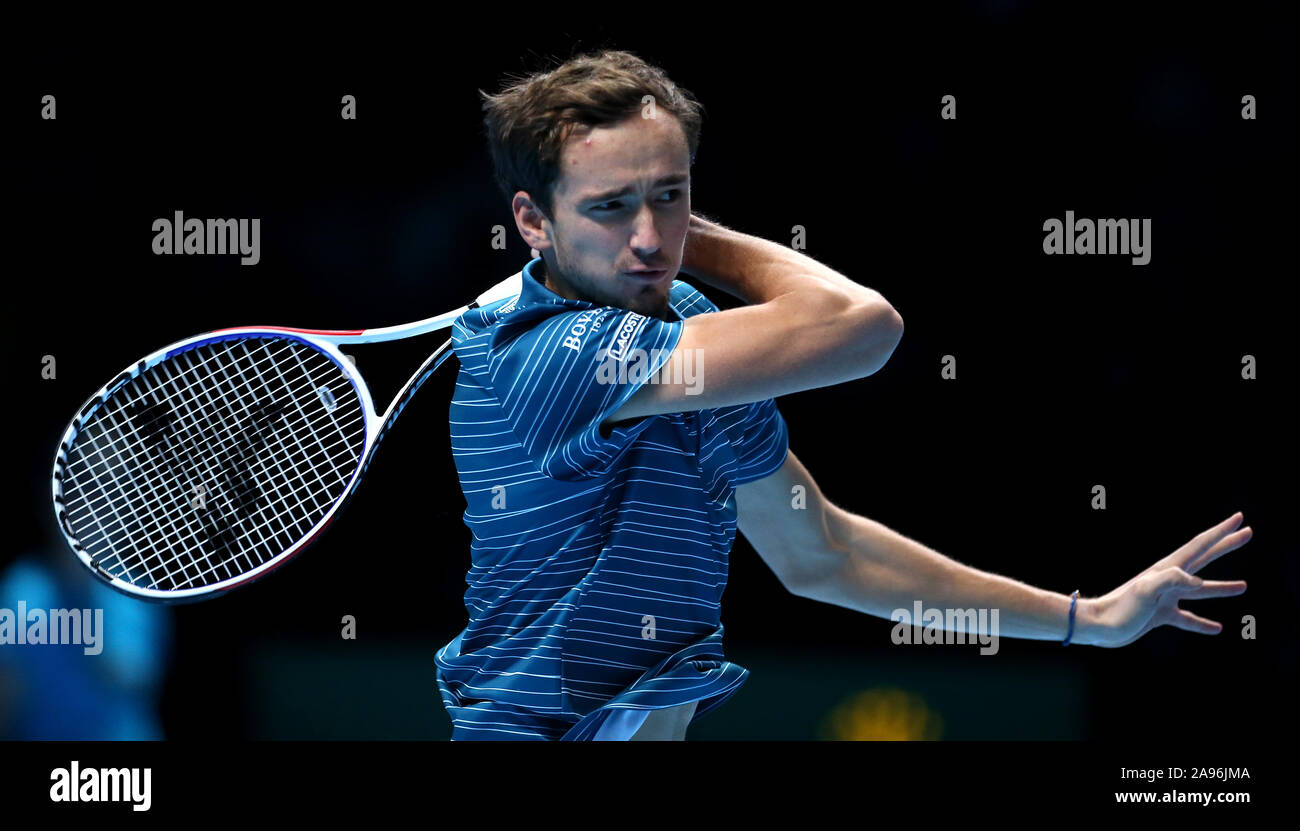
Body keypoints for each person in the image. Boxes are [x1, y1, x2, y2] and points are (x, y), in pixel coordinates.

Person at [433, 49, 1250, 741]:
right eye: (610, 207)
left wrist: (1088, 618)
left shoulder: (685, 334)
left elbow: (822, 552)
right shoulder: (555, 357)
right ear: (532, 221)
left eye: (670, 194)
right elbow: (863, 325)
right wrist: (704, 240)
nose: (650, 239)